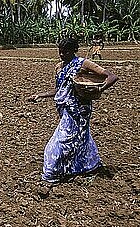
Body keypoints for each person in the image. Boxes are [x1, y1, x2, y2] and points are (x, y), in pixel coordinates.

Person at [29, 36, 118, 189]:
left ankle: (51, 174)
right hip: (64, 108)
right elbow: (60, 90)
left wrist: (98, 89)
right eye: (60, 52)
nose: (62, 55)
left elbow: (111, 77)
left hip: (79, 110)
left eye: (65, 52)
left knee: (59, 142)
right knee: (81, 138)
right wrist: (40, 95)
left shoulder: (83, 63)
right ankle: (87, 167)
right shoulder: (59, 67)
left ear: (73, 51)